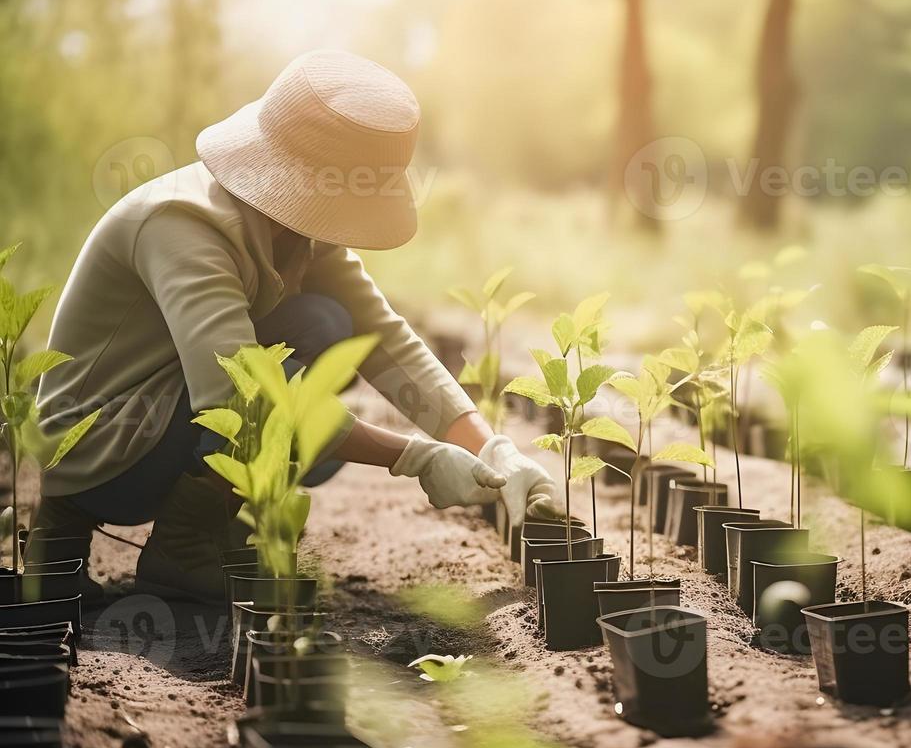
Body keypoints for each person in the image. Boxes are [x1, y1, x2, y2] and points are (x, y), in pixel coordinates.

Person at [34, 50, 561, 600]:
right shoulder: (181, 226)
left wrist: (493, 448)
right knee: (274, 374)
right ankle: (173, 545)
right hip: (104, 454)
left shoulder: (298, 229)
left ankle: (215, 527)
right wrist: (412, 457)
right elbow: (242, 397)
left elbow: (383, 339)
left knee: (326, 322)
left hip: (164, 424)